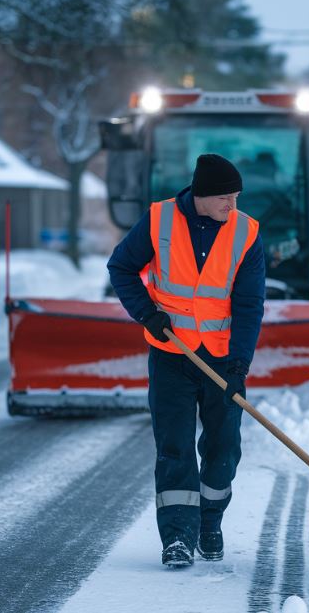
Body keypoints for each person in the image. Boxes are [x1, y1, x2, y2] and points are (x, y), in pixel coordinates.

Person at [107, 153, 265, 568]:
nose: (232, 206)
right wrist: (147, 313)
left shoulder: (245, 232)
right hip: (171, 355)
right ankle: (177, 537)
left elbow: (249, 304)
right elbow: (121, 266)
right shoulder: (159, 220)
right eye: (225, 198)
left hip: (221, 361)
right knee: (174, 448)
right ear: (202, 195)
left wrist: (239, 364)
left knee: (224, 449)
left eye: (235, 197)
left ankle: (210, 523)